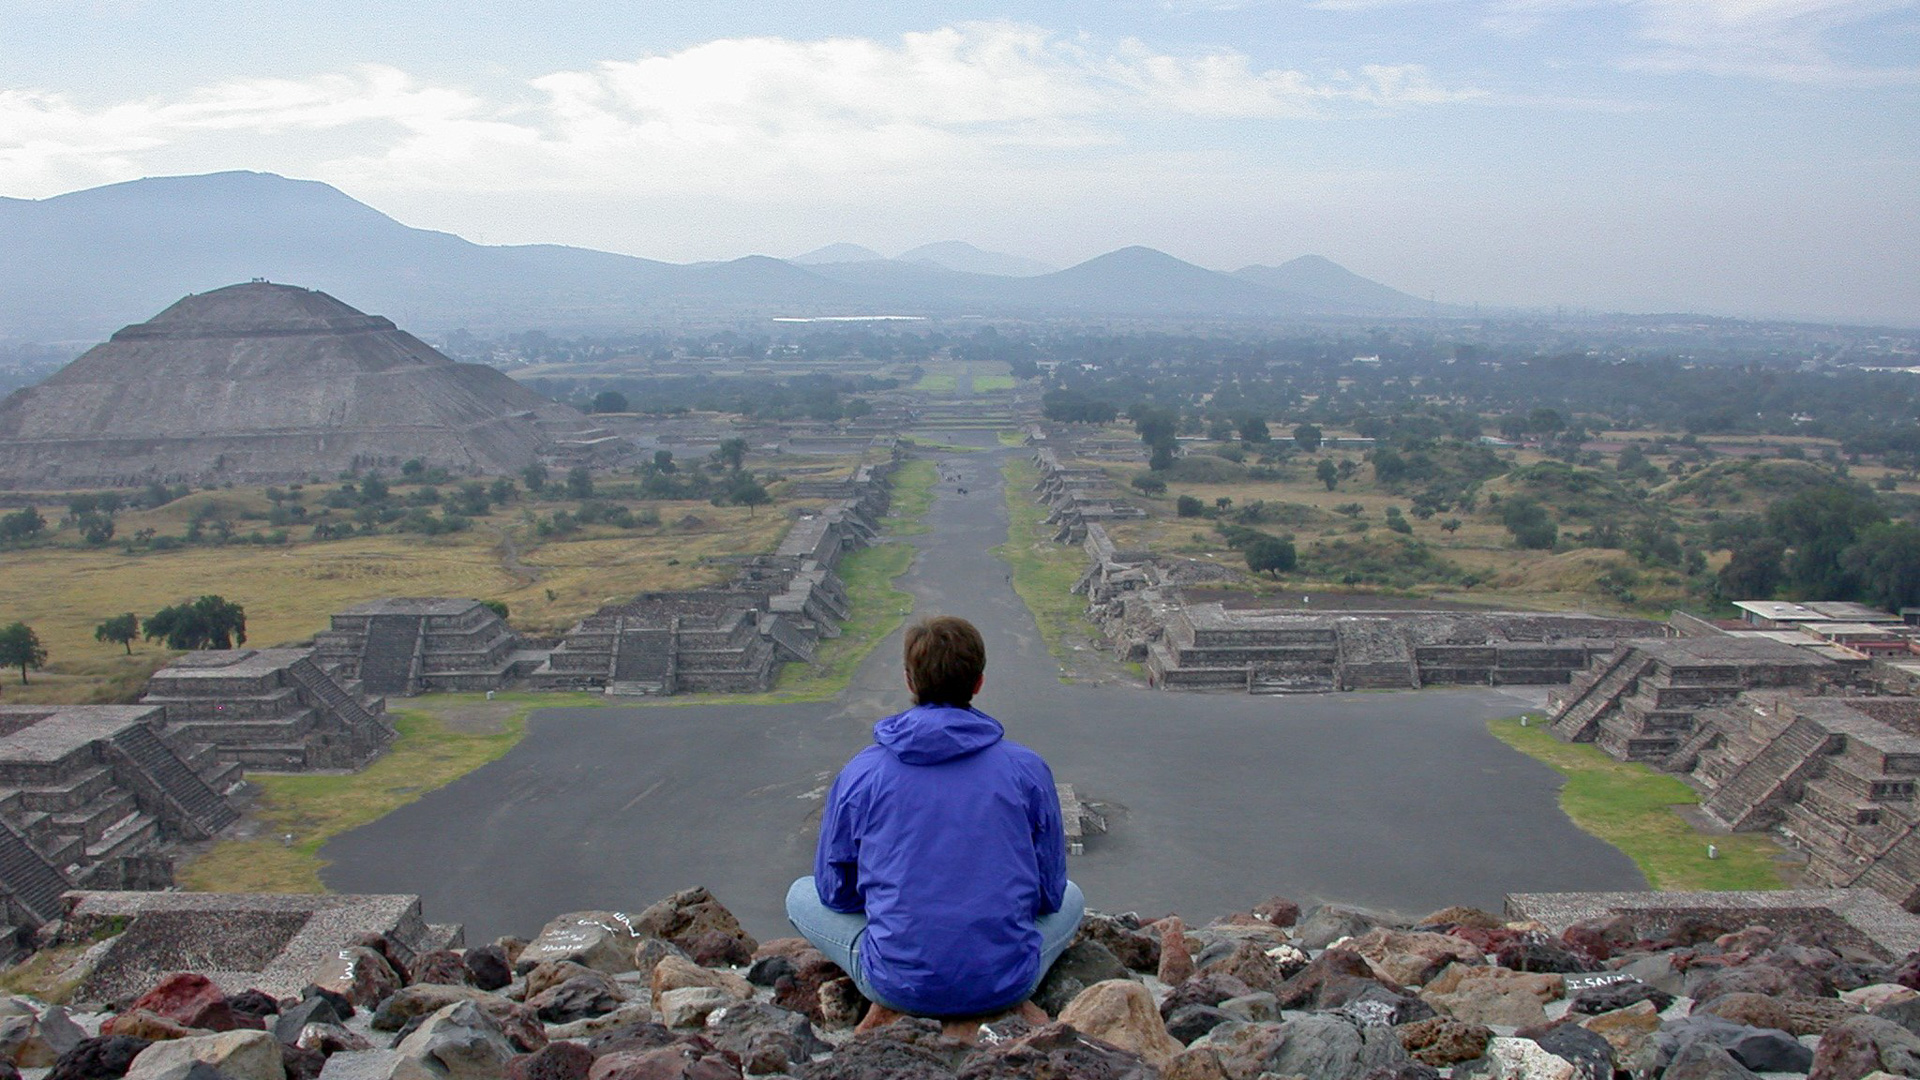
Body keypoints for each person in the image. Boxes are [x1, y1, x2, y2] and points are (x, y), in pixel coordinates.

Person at [786, 615, 1085, 1021]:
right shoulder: (1025, 768)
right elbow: (1050, 894)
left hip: (895, 983)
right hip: (1006, 982)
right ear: (979, 682)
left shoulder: (863, 772)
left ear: (910, 681)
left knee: (800, 894)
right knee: (1073, 896)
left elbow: (836, 892)